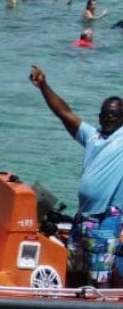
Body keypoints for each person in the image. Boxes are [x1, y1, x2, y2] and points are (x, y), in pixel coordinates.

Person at [29, 66, 123, 285]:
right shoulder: (92, 136)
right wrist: (43, 86)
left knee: (100, 276)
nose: (109, 118)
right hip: (83, 218)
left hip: (106, 219)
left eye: (114, 115)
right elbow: (64, 112)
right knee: (72, 268)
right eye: (105, 114)